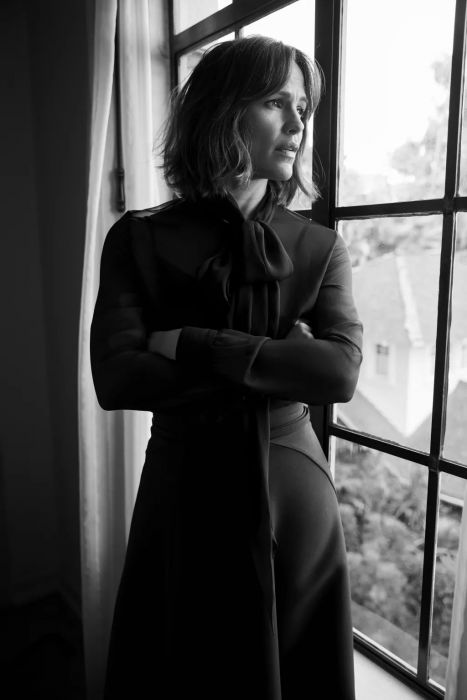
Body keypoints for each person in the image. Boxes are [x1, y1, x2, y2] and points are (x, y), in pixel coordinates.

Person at [91, 35, 363, 700]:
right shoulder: (139, 238)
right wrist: (281, 358)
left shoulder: (319, 245)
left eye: (303, 107)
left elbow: (339, 375)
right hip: (184, 492)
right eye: (276, 102)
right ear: (221, 110)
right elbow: (117, 378)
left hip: (293, 504)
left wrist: (188, 342)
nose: (298, 123)